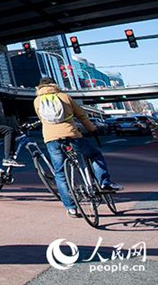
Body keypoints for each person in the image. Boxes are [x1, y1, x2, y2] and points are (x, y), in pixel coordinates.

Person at [34, 77, 123, 218]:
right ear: (54, 84)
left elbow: (42, 119)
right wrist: (92, 129)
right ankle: (105, 183)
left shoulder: (37, 101)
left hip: (51, 139)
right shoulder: (64, 97)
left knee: (60, 173)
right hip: (71, 134)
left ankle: (71, 208)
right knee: (94, 155)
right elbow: (81, 115)